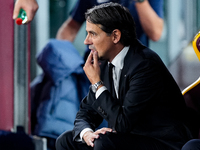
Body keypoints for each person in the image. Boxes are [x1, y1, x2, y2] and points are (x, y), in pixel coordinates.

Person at [56, 2, 193, 150]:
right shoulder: (106, 64)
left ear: (115, 36)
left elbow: (122, 124)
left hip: (161, 142)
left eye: (93, 34)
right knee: (66, 140)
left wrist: (97, 83)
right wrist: (88, 133)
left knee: (104, 143)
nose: (86, 41)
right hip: (129, 138)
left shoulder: (144, 65)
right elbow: (85, 113)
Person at [56, 0, 164, 60]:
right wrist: (59, 54)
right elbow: (71, 27)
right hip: (96, 66)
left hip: (133, 67)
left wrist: (140, 1)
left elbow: (155, 33)